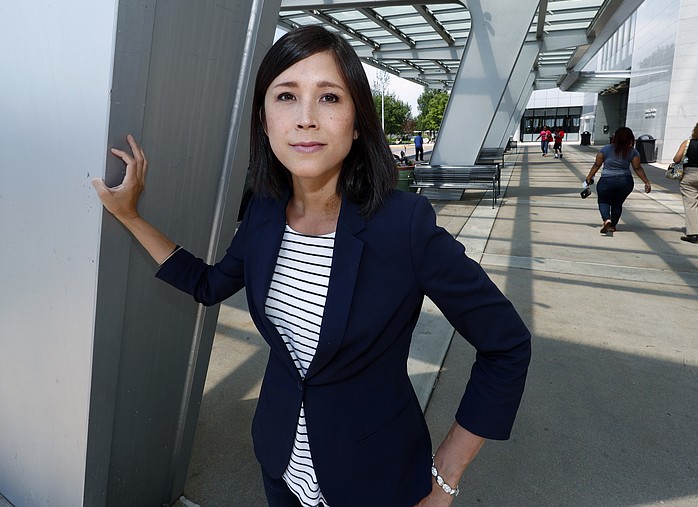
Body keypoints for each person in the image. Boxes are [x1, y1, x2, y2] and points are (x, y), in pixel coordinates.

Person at [92, 25, 531, 507]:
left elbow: (506, 344)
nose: (305, 119)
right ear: (264, 120)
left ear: (358, 121)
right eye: (285, 96)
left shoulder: (402, 226)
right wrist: (130, 215)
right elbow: (208, 284)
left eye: (328, 98)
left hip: (375, 479)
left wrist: (445, 476)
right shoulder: (263, 210)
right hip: (281, 468)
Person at [585, 126, 652, 234]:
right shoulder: (633, 152)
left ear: (615, 137)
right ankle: (612, 226)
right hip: (625, 181)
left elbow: (597, 164)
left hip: (607, 180)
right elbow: (637, 168)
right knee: (617, 203)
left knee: (603, 200)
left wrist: (589, 177)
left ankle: (607, 220)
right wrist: (646, 182)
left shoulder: (605, 149)